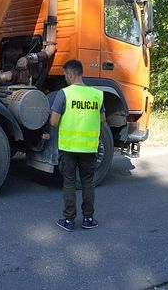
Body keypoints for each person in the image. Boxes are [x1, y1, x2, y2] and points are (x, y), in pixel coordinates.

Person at [48, 59, 105, 231]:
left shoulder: (64, 94)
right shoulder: (97, 94)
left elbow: (53, 121)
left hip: (69, 148)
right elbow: (102, 120)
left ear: (71, 74)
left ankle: (69, 221)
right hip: (89, 148)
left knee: (69, 183)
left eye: (65, 75)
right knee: (88, 182)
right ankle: (88, 219)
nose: (65, 78)